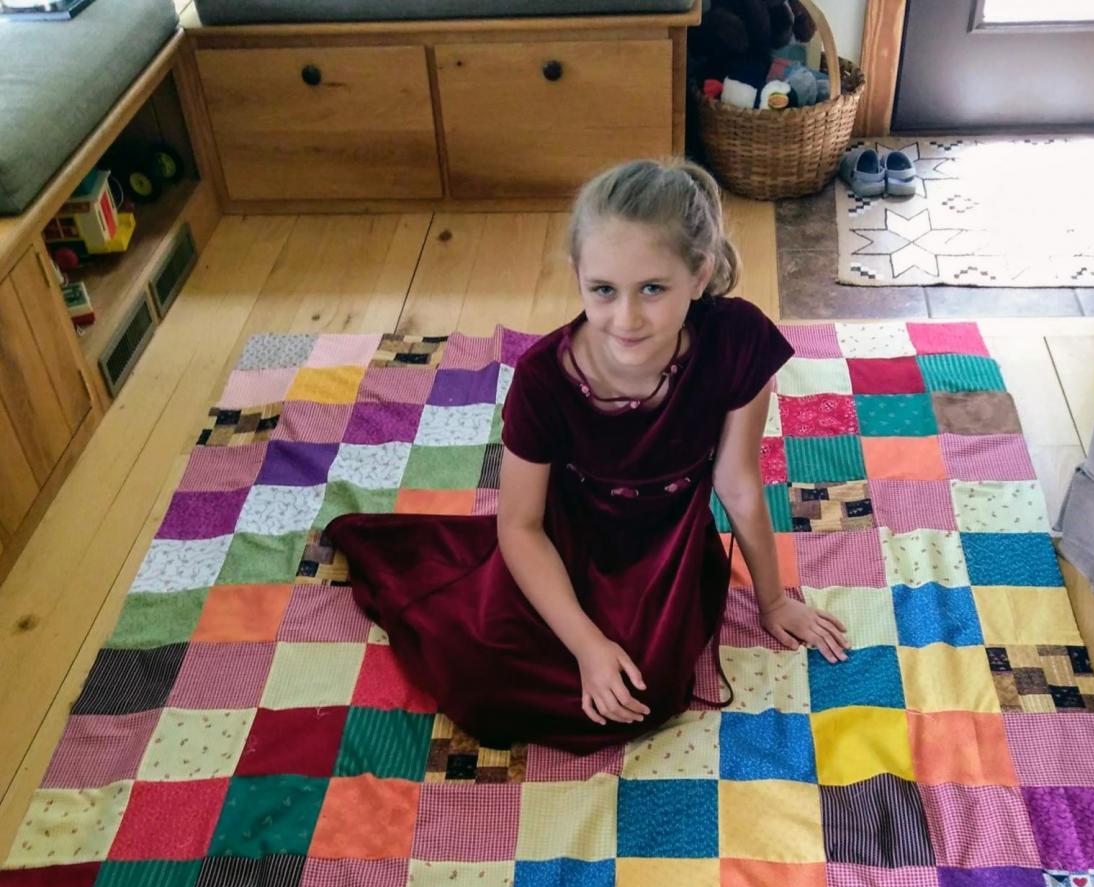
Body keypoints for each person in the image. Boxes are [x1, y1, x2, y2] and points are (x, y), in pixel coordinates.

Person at [327, 158, 849, 755]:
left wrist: (773, 599)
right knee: (486, 689)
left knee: (643, 688)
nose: (626, 319)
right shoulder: (543, 380)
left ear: (699, 274)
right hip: (564, 540)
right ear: (578, 276)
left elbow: (737, 483)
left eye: (653, 289)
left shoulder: (736, 340)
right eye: (603, 290)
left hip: (669, 552)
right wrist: (586, 645)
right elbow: (520, 526)